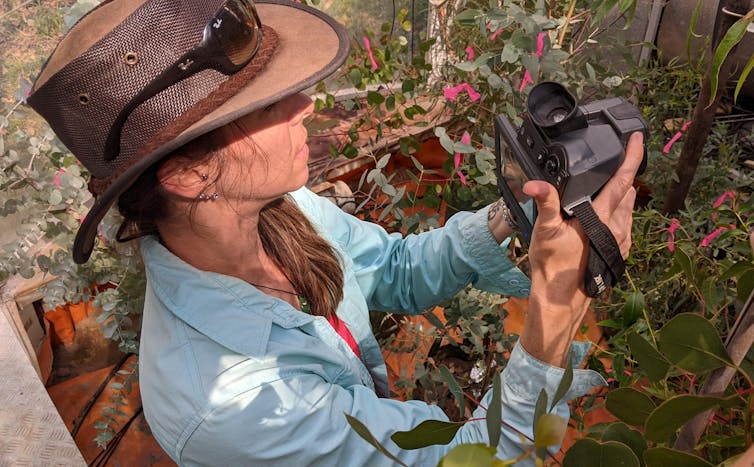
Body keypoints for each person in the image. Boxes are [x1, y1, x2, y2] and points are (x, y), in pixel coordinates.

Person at [27, 0, 643, 465]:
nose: (307, 106)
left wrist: (512, 211)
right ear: (189, 174)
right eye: (267, 106)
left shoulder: (279, 209)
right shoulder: (231, 406)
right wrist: (559, 304)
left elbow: (395, 270)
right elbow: (471, 461)